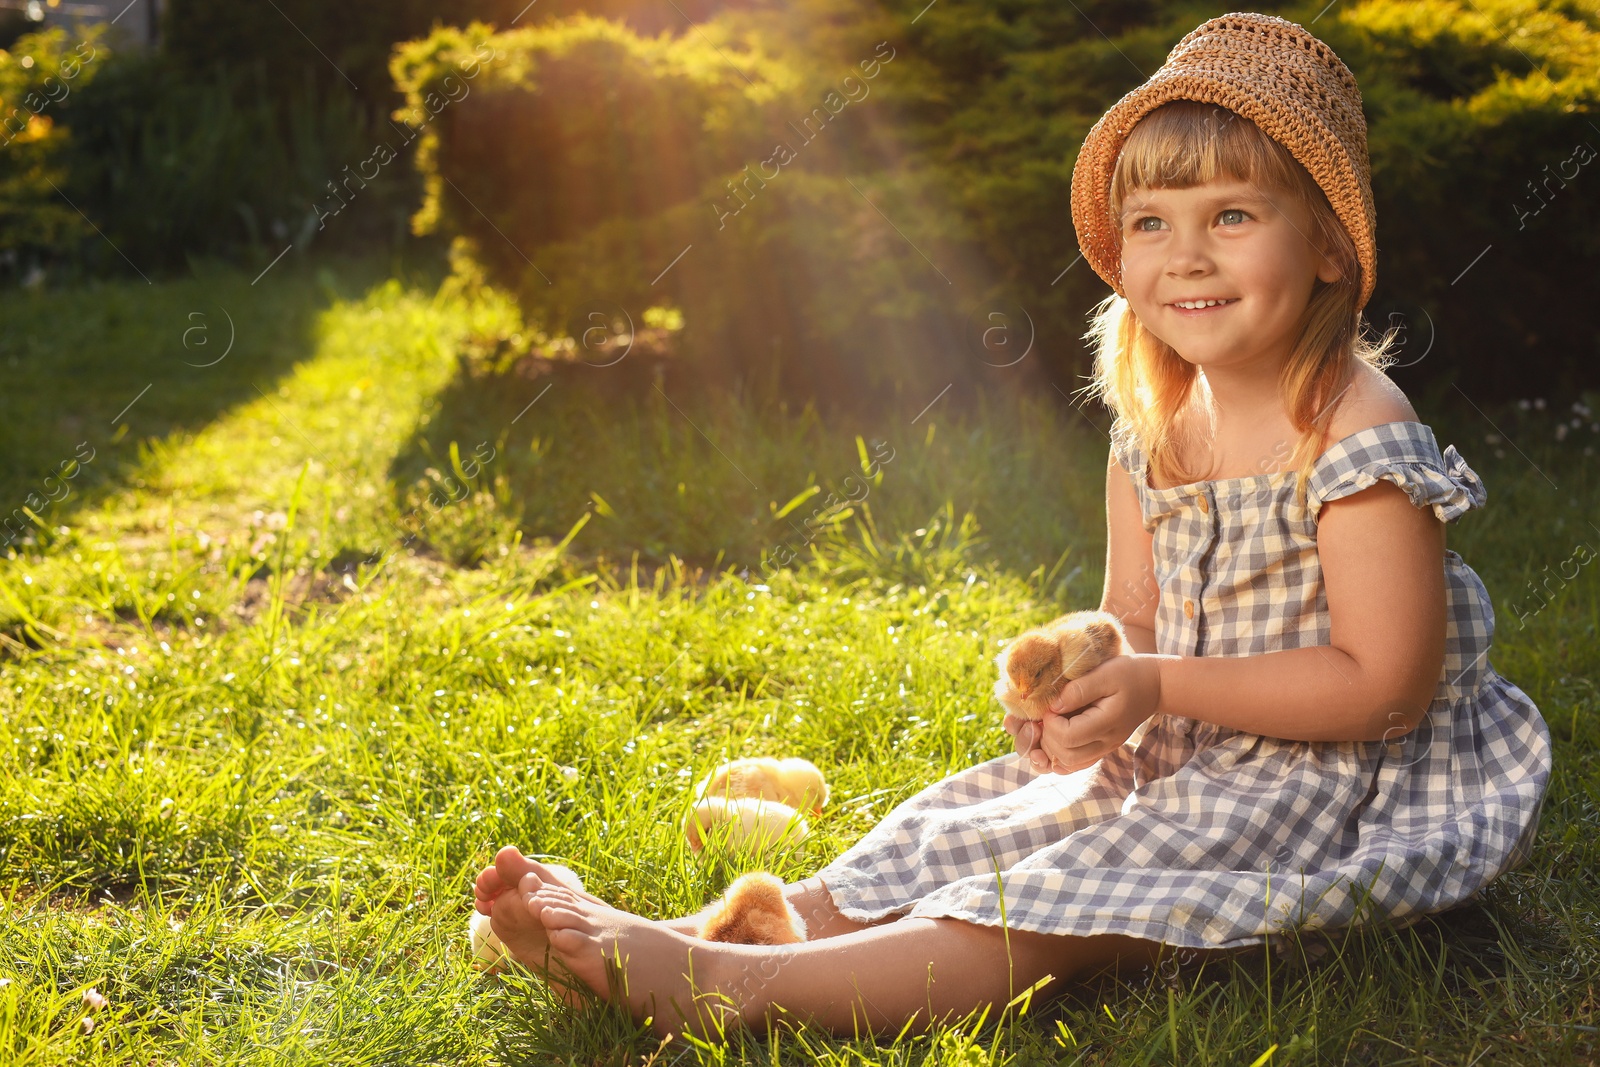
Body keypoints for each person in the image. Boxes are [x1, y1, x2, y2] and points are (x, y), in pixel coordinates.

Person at [472, 10, 1553, 1040]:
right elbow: (1129, 623)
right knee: (965, 829)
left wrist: (1163, 687)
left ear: (1324, 247)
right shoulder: (1155, 430)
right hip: (1178, 754)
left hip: (1327, 787)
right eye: (1150, 224)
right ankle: (710, 933)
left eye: (1231, 215)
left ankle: (734, 990)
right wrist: (1083, 700)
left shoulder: (1356, 432)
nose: (1185, 255)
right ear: (1120, 259)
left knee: (1054, 905)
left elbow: (1383, 685)